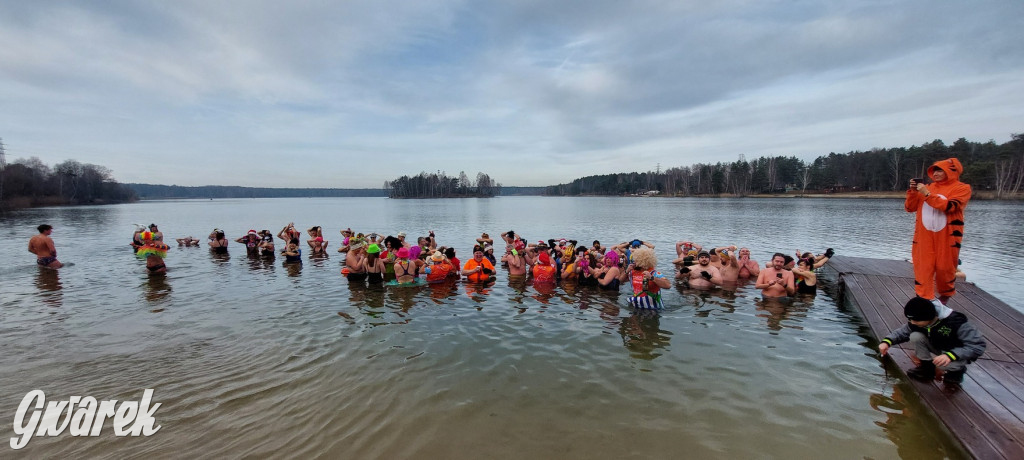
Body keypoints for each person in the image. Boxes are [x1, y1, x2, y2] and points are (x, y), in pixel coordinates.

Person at [878, 297, 986, 392]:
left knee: (942, 364)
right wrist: (887, 342)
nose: (912, 322)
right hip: (939, 346)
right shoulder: (917, 320)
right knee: (915, 336)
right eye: (910, 319)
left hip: (957, 352)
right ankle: (927, 369)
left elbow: (978, 346)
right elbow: (903, 332)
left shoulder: (956, 322)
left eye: (915, 320)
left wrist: (950, 355)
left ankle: (956, 373)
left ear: (929, 317)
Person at [905, 158, 972, 306]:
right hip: (924, 237)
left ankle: (944, 296)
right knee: (923, 268)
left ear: (951, 171)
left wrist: (927, 194)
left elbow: (950, 206)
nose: (936, 173)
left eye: (940, 170)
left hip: (948, 237)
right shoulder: (927, 187)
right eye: (934, 170)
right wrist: (913, 192)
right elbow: (910, 208)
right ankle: (925, 299)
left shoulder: (962, 188)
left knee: (945, 269)